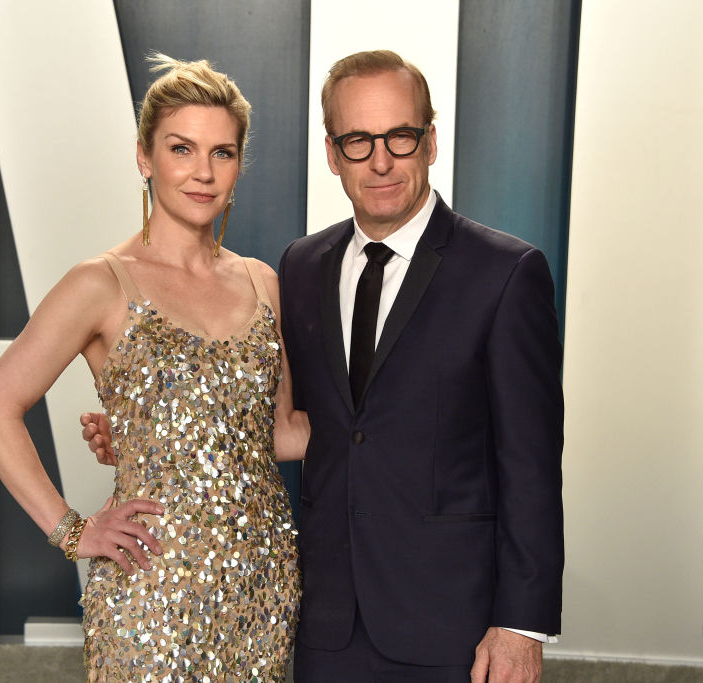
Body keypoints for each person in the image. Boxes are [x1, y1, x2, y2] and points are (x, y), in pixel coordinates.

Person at [85, 49, 563, 683]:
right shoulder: (303, 268)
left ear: (431, 142)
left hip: (457, 627)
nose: (382, 159)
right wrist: (168, 426)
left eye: (400, 136)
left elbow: (529, 463)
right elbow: (293, 421)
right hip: (324, 625)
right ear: (333, 154)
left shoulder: (505, 274)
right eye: (359, 141)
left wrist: (520, 625)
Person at [0, 55, 307, 683]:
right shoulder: (100, 284)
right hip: (149, 589)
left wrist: (400, 415)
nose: (203, 173)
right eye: (182, 149)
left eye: (223, 153)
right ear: (145, 157)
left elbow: (280, 431)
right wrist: (72, 531)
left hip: (262, 584)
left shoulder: (264, 282)